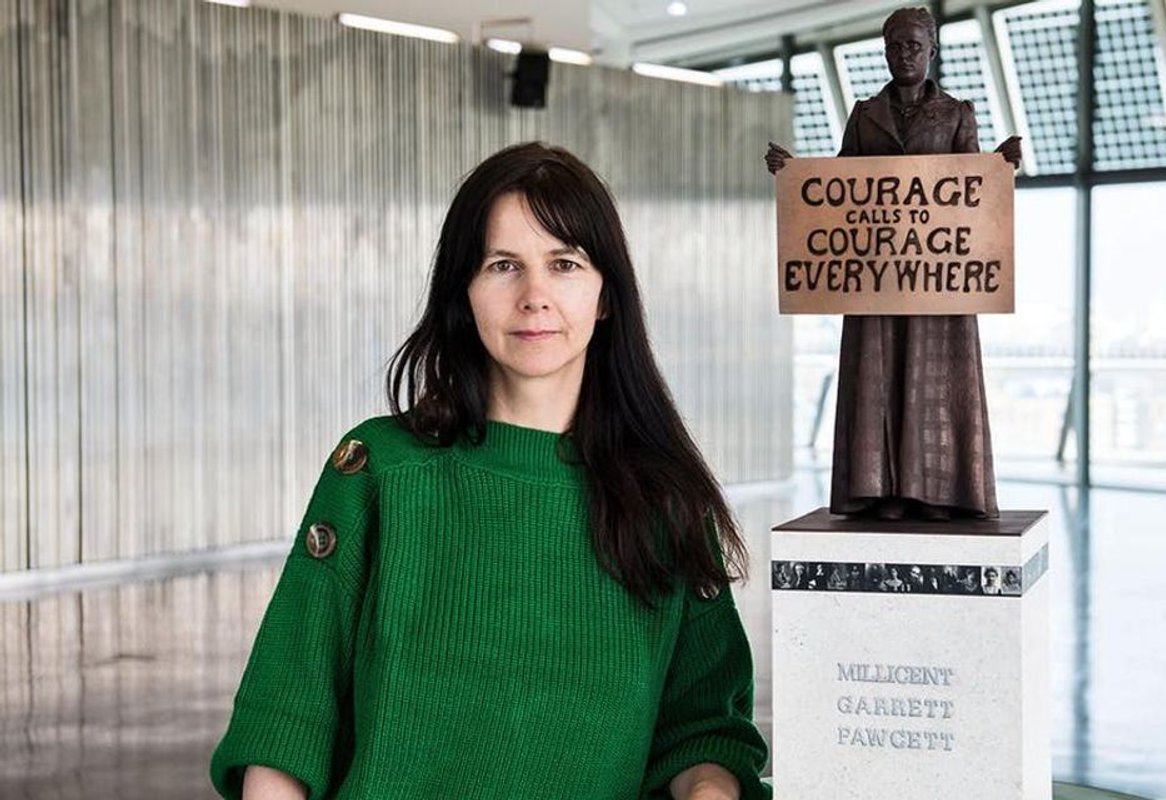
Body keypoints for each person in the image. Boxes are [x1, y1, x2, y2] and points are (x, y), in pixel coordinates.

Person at [209, 143, 770, 800]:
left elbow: (702, 732)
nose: (534, 296)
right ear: (464, 292)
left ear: (606, 295)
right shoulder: (378, 473)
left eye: (564, 264)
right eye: (503, 265)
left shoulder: (666, 504)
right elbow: (288, 717)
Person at [765, 7, 1021, 521]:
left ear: (931, 50)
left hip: (936, 280)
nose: (902, 55)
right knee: (876, 378)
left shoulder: (955, 114)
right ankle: (878, 490)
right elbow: (839, 192)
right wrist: (795, 174)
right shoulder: (864, 114)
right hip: (876, 277)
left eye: (912, 46)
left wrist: (1000, 164)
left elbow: (969, 191)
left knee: (934, 378)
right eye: (894, 46)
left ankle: (938, 492)